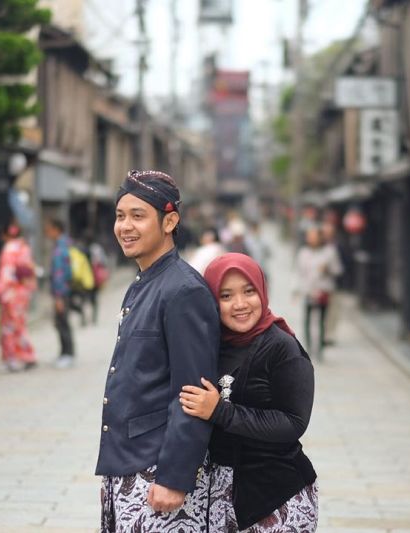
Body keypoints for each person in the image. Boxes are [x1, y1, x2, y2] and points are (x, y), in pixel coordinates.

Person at [96, 169, 220, 532]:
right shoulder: (143, 283)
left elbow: (194, 392)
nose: (125, 226)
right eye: (120, 216)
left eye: (138, 216)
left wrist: (175, 477)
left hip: (157, 471)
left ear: (170, 221)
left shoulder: (183, 290)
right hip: (127, 463)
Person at [180, 253, 318, 532]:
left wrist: (220, 411)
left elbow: (293, 423)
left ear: (262, 291)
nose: (240, 304)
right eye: (226, 295)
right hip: (219, 497)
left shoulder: (282, 347)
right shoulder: (211, 345)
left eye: (249, 291)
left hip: (276, 499)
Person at [0, 223, 38, 372]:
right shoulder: (24, 248)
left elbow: (6, 274)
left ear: (6, 235)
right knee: (20, 324)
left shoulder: (9, 249)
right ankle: (27, 355)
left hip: (11, 293)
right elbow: (29, 271)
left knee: (9, 327)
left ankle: (13, 358)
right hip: (23, 292)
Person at [295, 226, 342, 359]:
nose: (311, 239)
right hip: (308, 290)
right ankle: (308, 348)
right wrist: (298, 290)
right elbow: (300, 273)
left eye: (314, 236)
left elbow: (338, 270)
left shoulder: (329, 252)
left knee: (322, 320)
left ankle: (320, 348)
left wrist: (327, 269)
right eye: (309, 236)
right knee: (307, 319)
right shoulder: (303, 252)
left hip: (323, 290)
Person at [43, 218, 75, 369]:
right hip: (63, 291)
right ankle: (64, 353)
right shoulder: (64, 245)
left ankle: (67, 353)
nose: (47, 233)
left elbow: (60, 274)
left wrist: (59, 297)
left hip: (61, 292)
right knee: (61, 322)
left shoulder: (61, 248)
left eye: (49, 229)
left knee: (63, 322)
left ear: (56, 229)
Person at [320, 221, 344, 345]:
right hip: (320, 285)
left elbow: (342, 267)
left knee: (333, 311)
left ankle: (329, 335)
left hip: (335, 284)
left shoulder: (338, 246)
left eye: (329, 232)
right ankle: (321, 334)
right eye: (324, 232)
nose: (326, 235)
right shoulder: (320, 246)